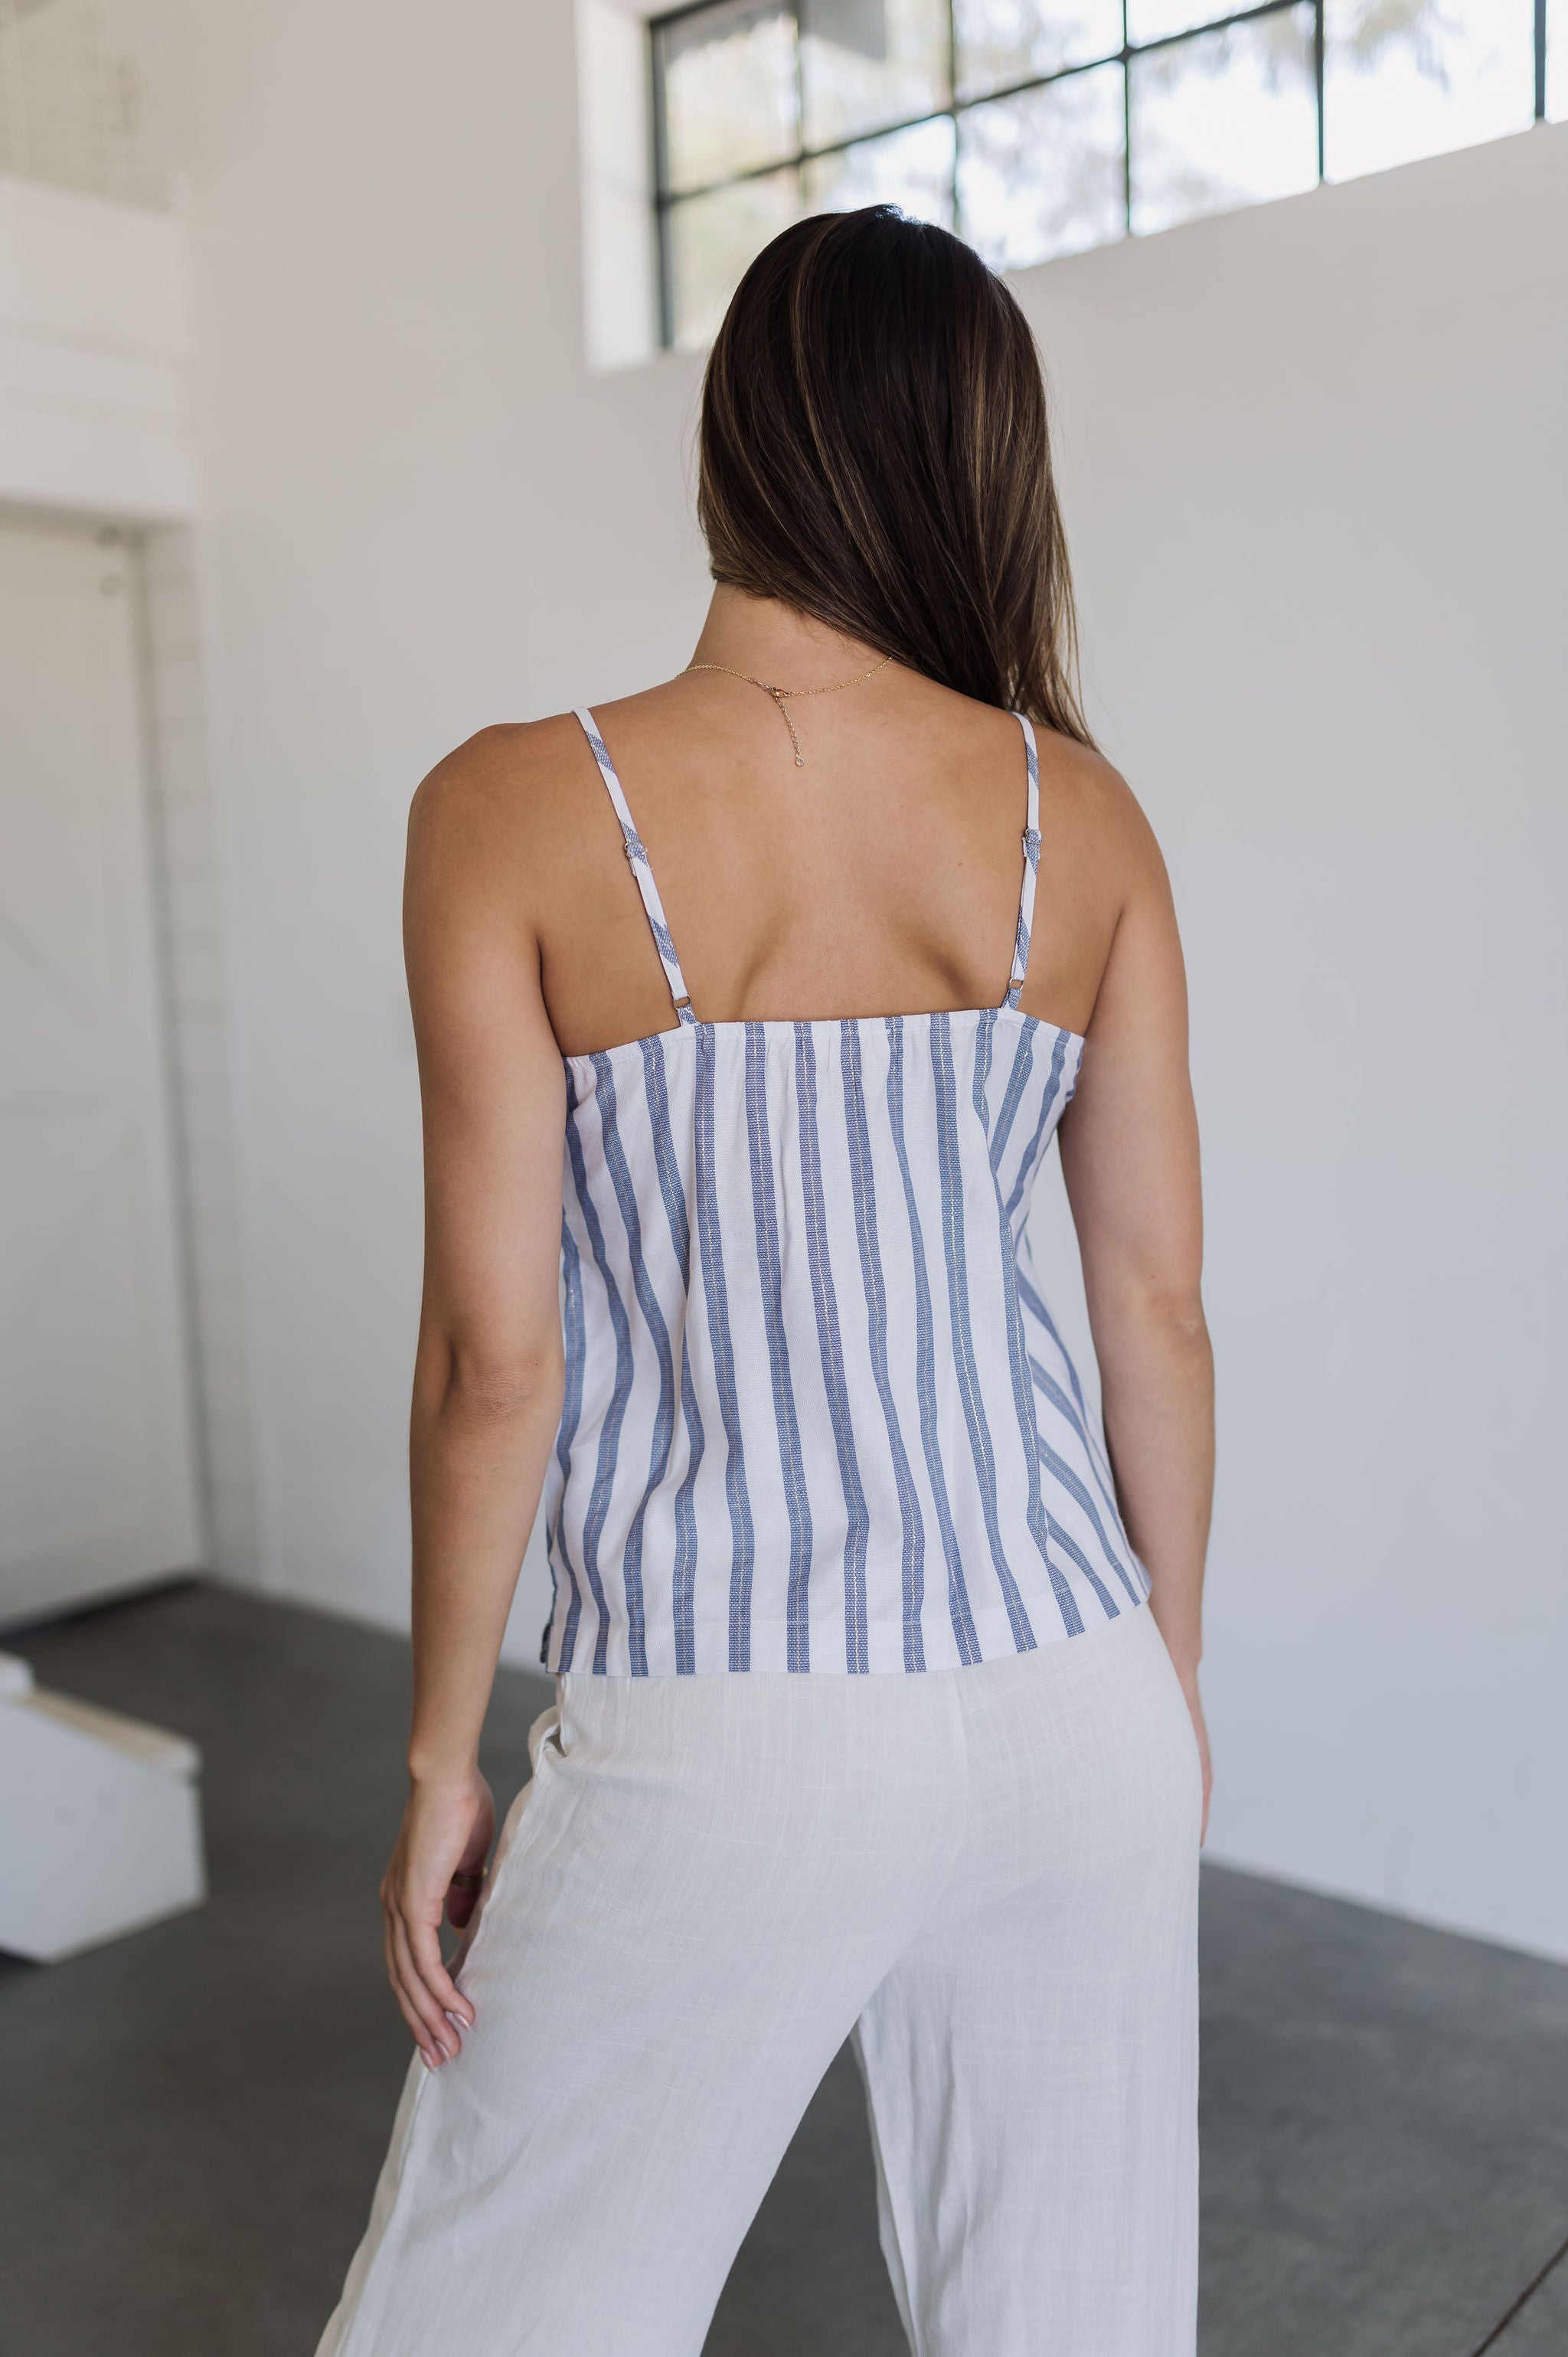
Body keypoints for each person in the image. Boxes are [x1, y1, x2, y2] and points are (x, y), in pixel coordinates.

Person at [316, 204, 1214, 2357]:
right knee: (1070, 2325)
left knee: (497, 2311)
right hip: (1071, 1680)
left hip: (733, 1716)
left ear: (734, 439)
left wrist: (445, 1757)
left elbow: (491, 1359)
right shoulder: (1074, 818)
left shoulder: (518, 807)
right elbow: (1157, 1308)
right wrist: (1163, 1698)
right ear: (982, 459)